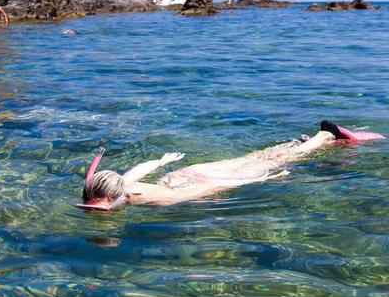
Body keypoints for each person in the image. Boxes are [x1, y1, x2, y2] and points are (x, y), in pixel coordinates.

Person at [77, 121, 371, 210]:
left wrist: (261, 182)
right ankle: (303, 142)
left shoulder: (158, 199)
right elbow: (142, 167)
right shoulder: (121, 181)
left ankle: (324, 135)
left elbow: (213, 187)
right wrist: (164, 160)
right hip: (187, 172)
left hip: (199, 179)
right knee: (256, 158)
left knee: (274, 164)